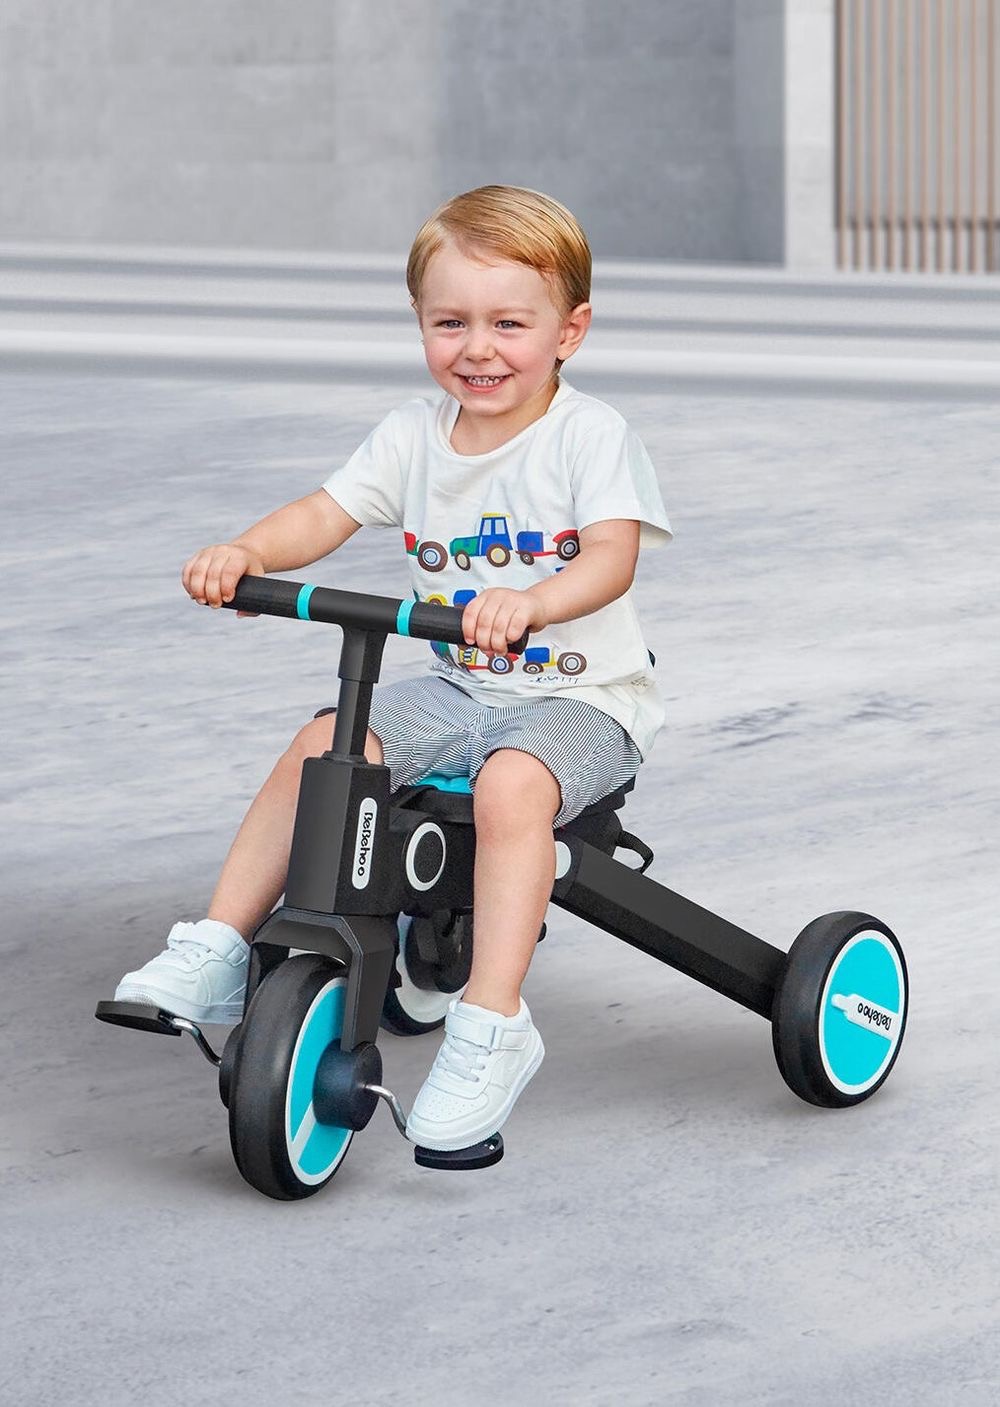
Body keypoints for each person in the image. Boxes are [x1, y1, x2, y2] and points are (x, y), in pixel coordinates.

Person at [115, 184, 672, 1152]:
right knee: (325, 747)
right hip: (461, 690)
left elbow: (610, 557)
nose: (477, 348)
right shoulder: (413, 435)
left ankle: (492, 1026)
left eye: (508, 323)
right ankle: (218, 945)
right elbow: (323, 513)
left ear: (570, 332)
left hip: (585, 698)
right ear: (420, 322)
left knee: (509, 789)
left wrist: (533, 602)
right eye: (450, 322)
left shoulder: (589, 436)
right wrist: (247, 552)